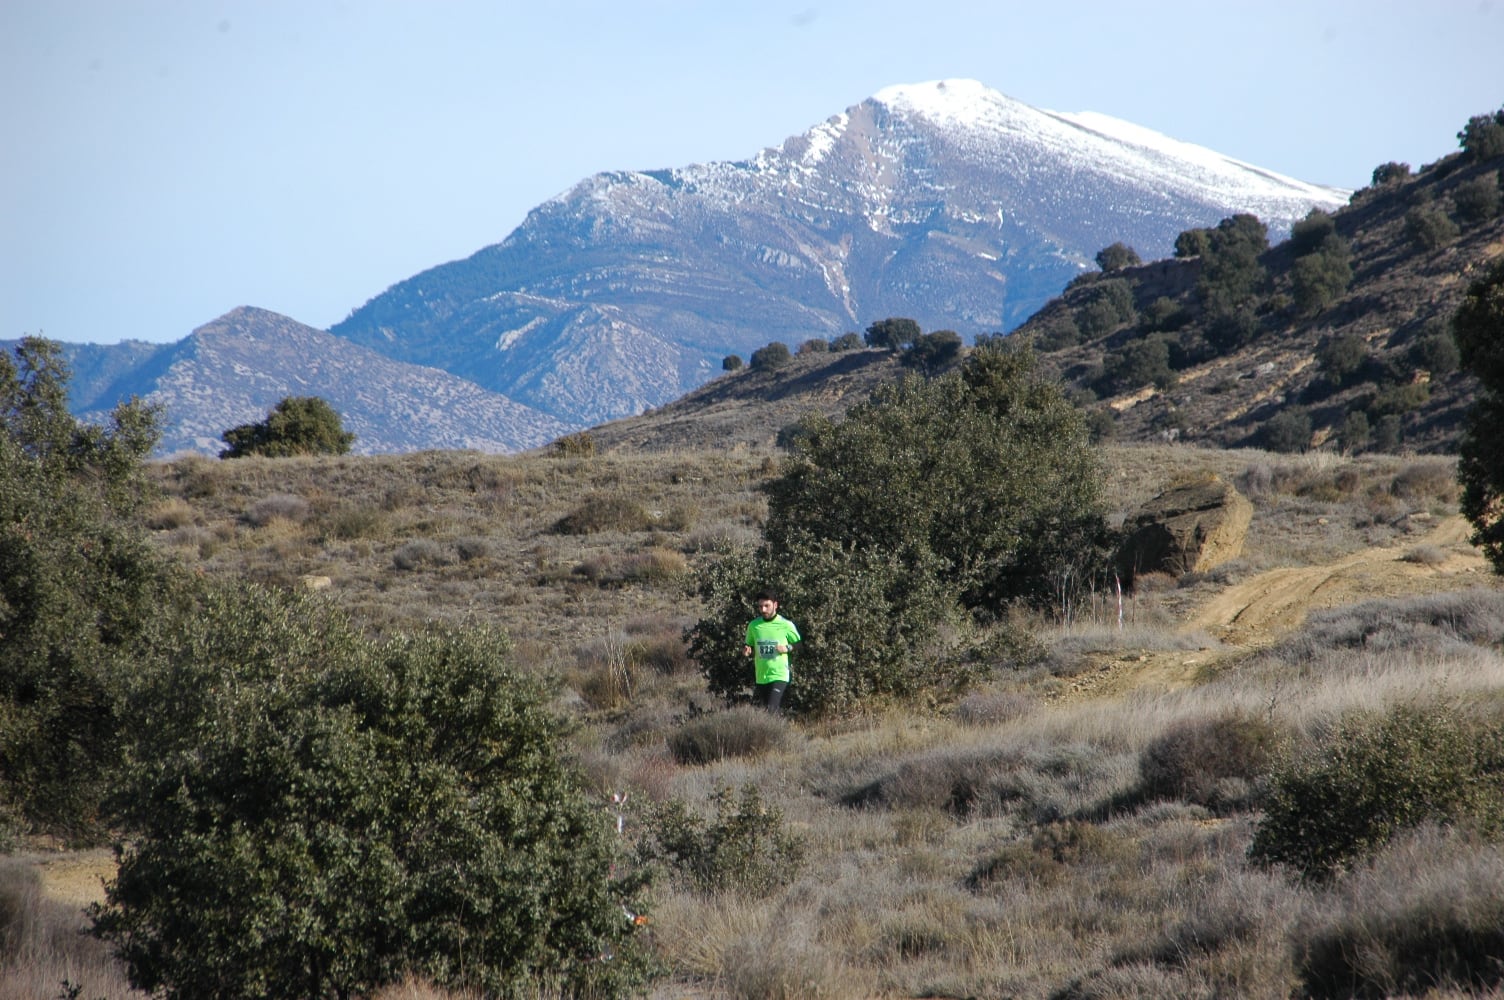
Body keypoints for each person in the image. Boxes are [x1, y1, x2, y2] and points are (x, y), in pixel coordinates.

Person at [743, 588, 800, 713]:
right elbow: (749, 645)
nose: (763, 610)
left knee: (771, 709)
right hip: (761, 676)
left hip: (779, 674)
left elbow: (799, 645)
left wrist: (787, 648)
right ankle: (780, 731)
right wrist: (747, 651)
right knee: (770, 712)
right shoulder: (754, 625)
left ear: (775, 605)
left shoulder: (786, 624)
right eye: (760, 607)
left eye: (767, 606)